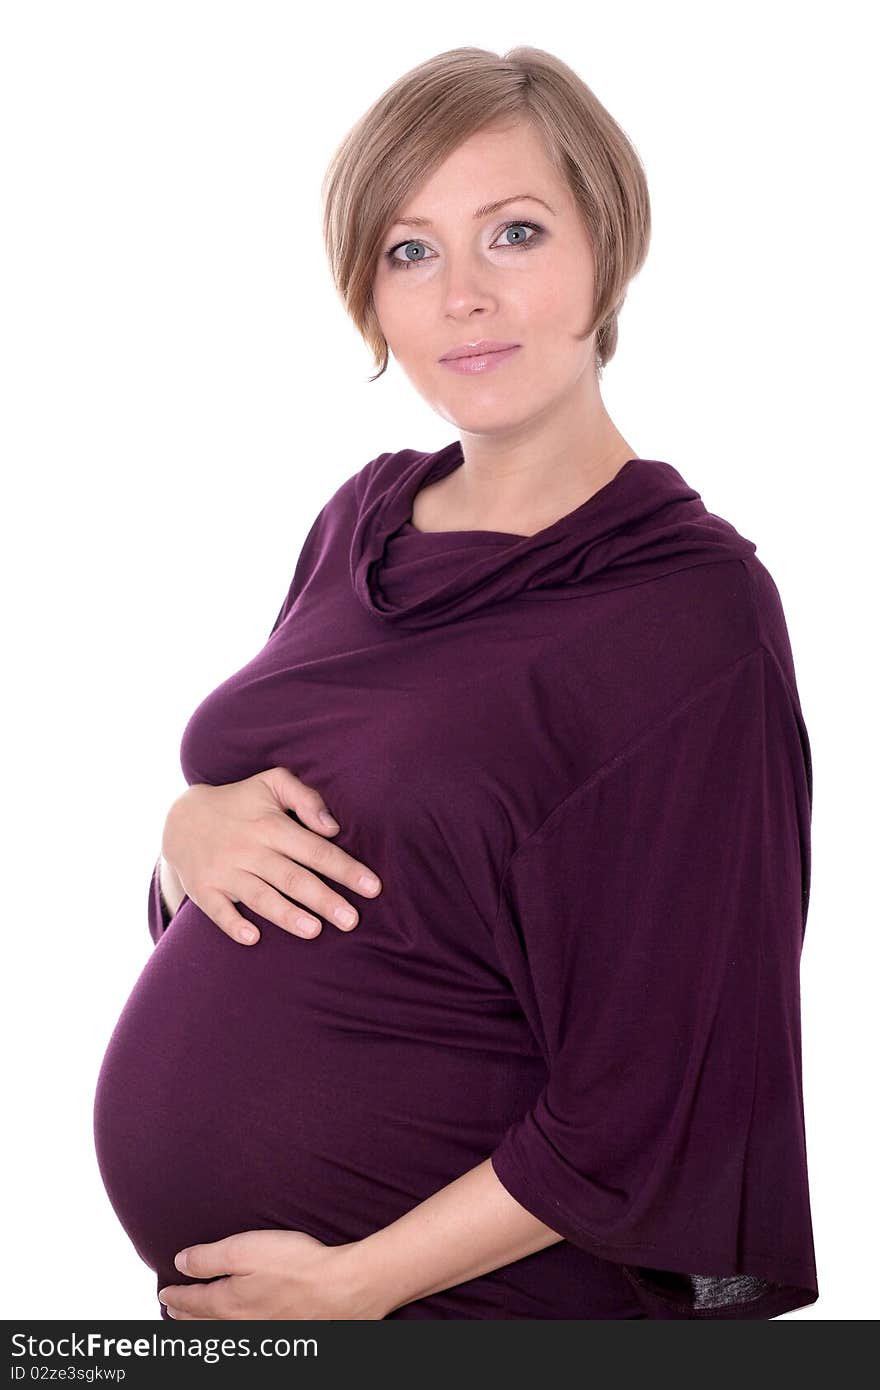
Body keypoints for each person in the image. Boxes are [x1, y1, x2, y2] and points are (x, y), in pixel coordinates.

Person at [93, 45, 819, 1321]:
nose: (462, 296)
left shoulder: (691, 617)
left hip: (470, 1307)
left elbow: (661, 1077)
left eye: (515, 233)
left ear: (610, 246)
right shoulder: (361, 515)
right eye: (409, 251)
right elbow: (352, 886)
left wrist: (360, 1284)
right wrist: (180, 840)